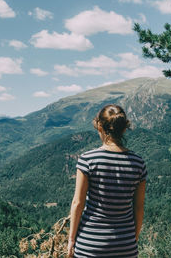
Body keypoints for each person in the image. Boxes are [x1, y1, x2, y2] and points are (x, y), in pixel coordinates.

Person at [67, 104, 147, 257]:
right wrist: (133, 238)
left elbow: (78, 203)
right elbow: (139, 206)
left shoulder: (88, 160)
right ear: (124, 128)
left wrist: (71, 240)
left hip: (90, 244)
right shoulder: (138, 163)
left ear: (99, 126)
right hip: (125, 244)